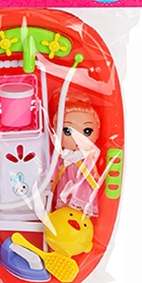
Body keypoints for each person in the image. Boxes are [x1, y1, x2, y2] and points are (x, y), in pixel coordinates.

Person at [51, 89, 101, 217]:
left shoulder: (88, 155)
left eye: (87, 131)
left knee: (82, 200)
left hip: (83, 184)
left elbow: (92, 169)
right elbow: (53, 168)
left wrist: (96, 174)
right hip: (65, 182)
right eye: (67, 131)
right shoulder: (62, 155)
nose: (77, 138)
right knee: (64, 205)